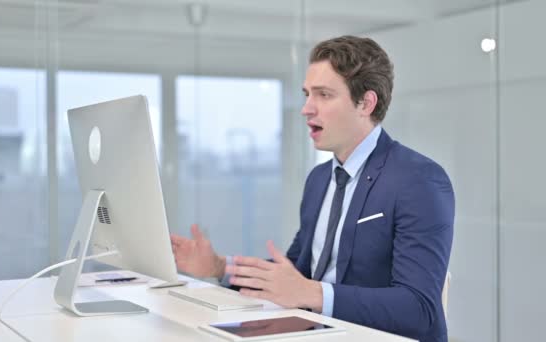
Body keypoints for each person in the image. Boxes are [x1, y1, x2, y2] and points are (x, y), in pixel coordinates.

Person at [170, 35, 454, 342]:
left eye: (324, 95)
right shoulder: (320, 179)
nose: (306, 108)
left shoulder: (419, 180)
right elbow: (294, 274)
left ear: (366, 103)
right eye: (307, 94)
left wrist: (313, 293)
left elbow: (419, 309)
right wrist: (218, 266)